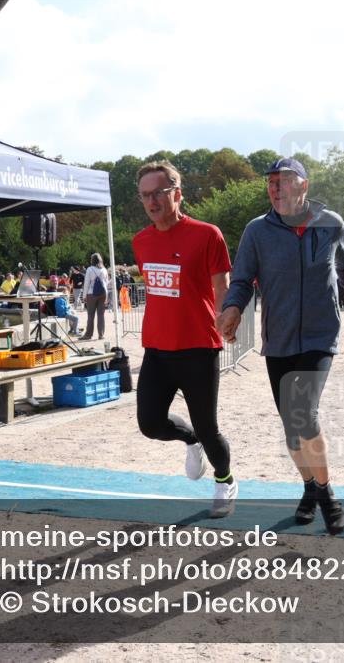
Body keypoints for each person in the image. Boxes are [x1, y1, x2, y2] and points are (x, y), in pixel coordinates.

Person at [217, 157, 344, 535]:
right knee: (291, 428)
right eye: (271, 182)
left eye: (283, 181)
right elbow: (242, 279)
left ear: (304, 186)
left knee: (304, 413)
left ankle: (327, 495)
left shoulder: (330, 223)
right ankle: (309, 486)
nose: (275, 188)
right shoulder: (257, 231)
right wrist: (232, 308)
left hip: (320, 335)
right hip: (279, 339)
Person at [131, 161, 237, 517]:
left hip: (198, 347)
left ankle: (225, 480)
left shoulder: (207, 235)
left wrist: (225, 318)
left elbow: (221, 286)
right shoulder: (141, 241)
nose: (151, 202)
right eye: (145, 195)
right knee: (150, 424)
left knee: (209, 428)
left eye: (158, 193)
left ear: (176, 193)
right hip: (157, 348)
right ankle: (189, 439)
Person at [81, 253, 110, 341]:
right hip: (103, 293)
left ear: (92, 260)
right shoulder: (104, 269)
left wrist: (84, 296)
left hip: (91, 293)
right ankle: (101, 334)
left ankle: (88, 335)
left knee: (90, 315)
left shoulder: (90, 269)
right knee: (101, 315)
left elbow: (86, 283)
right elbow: (106, 283)